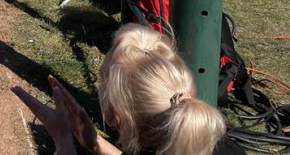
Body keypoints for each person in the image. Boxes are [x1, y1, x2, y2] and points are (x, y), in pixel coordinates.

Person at [13, 24, 233, 155]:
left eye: (103, 79)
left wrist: (63, 140)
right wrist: (96, 145)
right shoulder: (212, 141)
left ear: (114, 116)